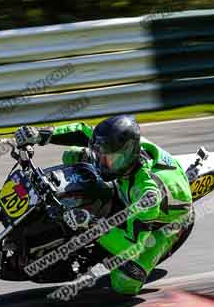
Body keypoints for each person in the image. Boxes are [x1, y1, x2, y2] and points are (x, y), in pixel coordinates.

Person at [14, 114, 194, 294]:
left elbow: (132, 247)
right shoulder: (118, 145)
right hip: (128, 188)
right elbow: (82, 131)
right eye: (100, 155)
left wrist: (91, 223)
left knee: (125, 283)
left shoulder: (147, 194)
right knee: (72, 155)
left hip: (166, 224)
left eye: (109, 158)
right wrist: (39, 134)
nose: (101, 162)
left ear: (127, 154)